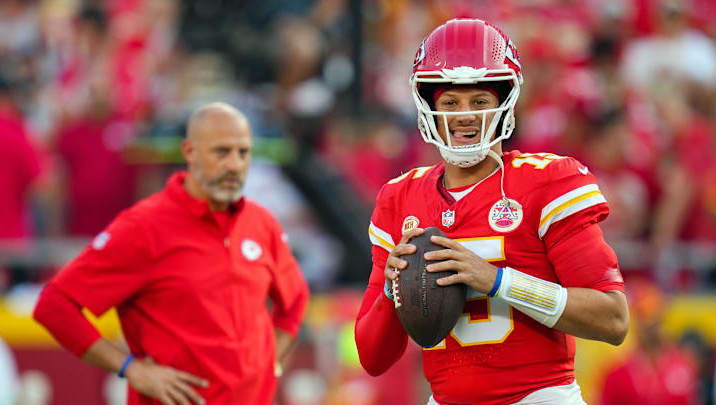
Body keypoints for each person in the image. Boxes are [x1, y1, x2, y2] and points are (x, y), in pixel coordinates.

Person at [354, 18, 629, 405]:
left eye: (479, 101)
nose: (464, 115)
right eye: (450, 102)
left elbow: (613, 319)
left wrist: (498, 281)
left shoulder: (547, 181)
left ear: (504, 104)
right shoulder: (400, 198)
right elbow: (373, 358)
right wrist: (390, 286)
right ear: (427, 105)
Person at [33, 102, 310, 405]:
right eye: (222, 152)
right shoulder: (143, 227)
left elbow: (295, 299)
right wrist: (131, 369)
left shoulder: (261, 223)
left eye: (243, 153)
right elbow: (54, 306)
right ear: (189, 152)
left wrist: (269, 363)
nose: (234, 164)